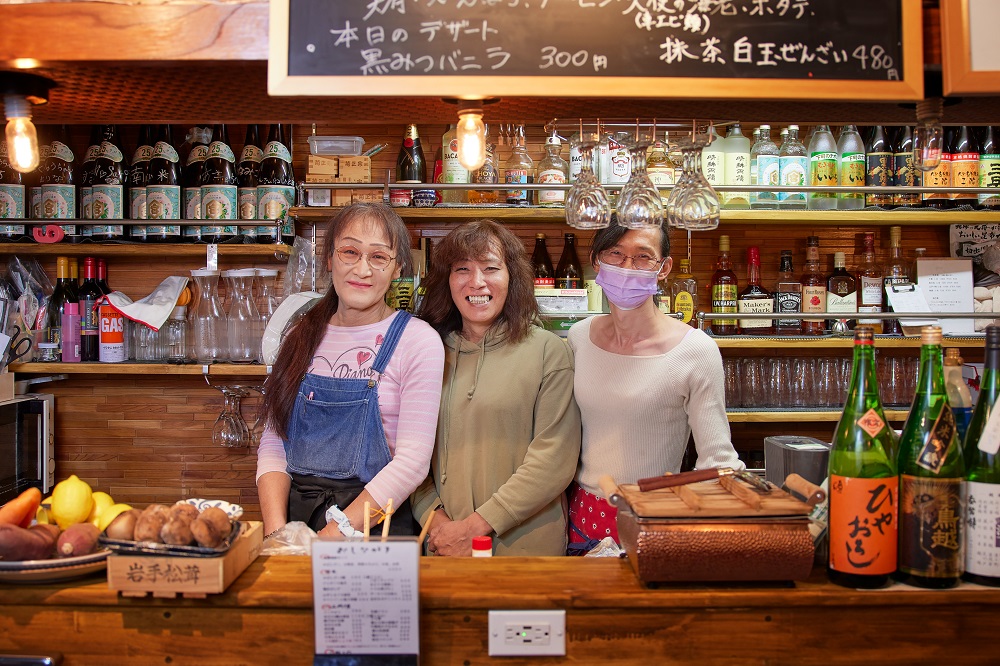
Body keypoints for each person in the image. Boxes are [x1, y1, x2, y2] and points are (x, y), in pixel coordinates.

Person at [256, 203, 445, 538]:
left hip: (375, 523)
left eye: (378, 257)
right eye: (350, 252)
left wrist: (327, 538)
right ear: (329, 259)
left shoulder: (418, 341)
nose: (362, 269)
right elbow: (274, 442)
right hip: (294, 521)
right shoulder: (298, 334)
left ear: (398, 267)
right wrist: (278, 533)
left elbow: (412, 463)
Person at [566, 219, 743, 551]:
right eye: (615, 253)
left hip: (654, 519)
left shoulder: (695, 350)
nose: (627, 267)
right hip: (582, 519)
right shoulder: (579, 337)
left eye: (643, 256)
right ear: (596, 262)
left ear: (664, 268)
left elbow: (717, 462)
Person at [412, 219, 581, 556]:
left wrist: (474, 528)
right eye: (462, 269)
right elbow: (410, 453)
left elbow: (553, 460)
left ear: (512, 278)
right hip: (444, 545)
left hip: (525, 548)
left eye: (491, 268)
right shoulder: (428, 351)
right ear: (446, 280)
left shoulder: (548, 351)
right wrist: (437, 521)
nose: (477, 282)